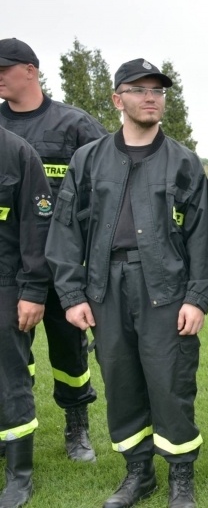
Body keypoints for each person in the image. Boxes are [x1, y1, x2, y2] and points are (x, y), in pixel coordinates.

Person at [46, 59, 208, 508]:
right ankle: (138, 473)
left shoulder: (182, 161)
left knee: (170, 382)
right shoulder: (89, 159)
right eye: (139, 89)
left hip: (164, 287)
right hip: (104, 288)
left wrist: (197, 299)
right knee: (121, 382)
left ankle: (181, 476)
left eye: (158, 90)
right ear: (117, 99)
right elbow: (65, 230)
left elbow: (200, 236)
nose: (150, 97)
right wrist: (71, 295)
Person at [0, 37, 106, 463]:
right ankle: (13, 428)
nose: (0, 77)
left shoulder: (74, 124)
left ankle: (76, 427)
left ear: (31, 70)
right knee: (11, 357)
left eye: (5, 68)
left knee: (69, 351)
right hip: (11, 268)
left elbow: (107, 184)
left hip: (64, 265)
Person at [0, 126, 52, 508]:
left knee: (9, 379)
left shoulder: (17, 153)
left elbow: (38, 228)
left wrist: (33, 290)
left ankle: (18, 476)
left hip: (4, 285)